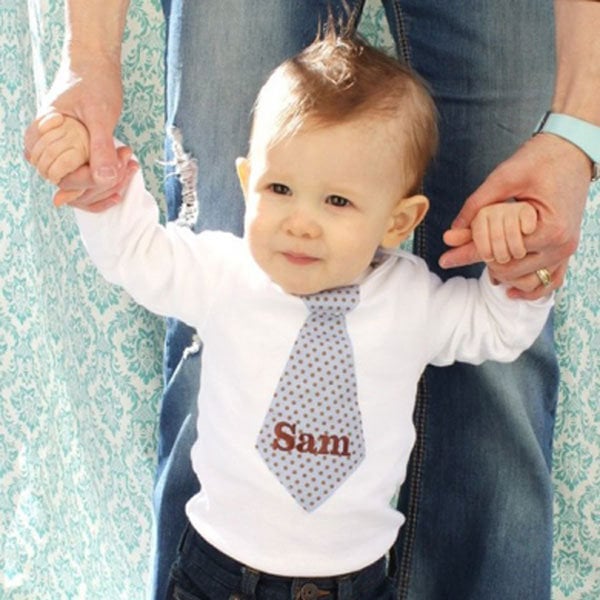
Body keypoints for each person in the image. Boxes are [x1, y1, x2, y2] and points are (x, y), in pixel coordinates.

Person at [23, 1, 600, 599]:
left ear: (399, 221)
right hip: (213, 576)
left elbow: (493, 331)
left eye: (338, 202)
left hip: (354, 584)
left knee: (499, 391)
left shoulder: (413, 300)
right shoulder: (225, 271)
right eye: (279, 189)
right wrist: (105, 191)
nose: (300, 223)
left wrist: (518, 279)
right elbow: (137, 255)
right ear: (248, 182)